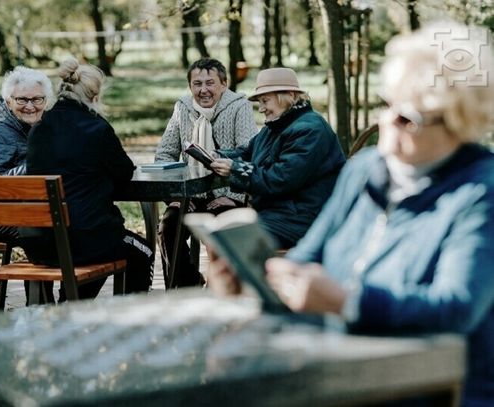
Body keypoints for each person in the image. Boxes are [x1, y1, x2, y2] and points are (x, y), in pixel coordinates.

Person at [209, 22, 494, 406]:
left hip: (433, 387)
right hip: (338, 370)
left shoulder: (480, 192)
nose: (386, 123)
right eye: (387, 103)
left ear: (459, 124)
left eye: (408, 118)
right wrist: (255, 286)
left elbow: (456, 308)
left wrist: (349, 302)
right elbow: (308, 260)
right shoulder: (365, 170)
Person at [21, 58, 154, 301]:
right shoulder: (97, 128)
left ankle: (71, 306)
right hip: (85, 239)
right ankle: (132, 324)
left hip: (40, 244)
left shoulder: (39, 128)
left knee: (97, 243)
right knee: (142, 252)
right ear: (95, 96)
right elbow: (124, 171)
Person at [211, 67, 345, 249]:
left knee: (229, 239)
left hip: (304, 219)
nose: (261, 108)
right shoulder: (274, 127)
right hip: (277, 214)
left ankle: (256, 278)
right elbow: (246, 152)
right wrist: (213, 156)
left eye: (265, 101)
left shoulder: (310, 129)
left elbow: (280, 178)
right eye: (260, 101)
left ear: (288, 96)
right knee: (217, 234)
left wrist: (235, 169)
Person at [155, 57, 258, 287]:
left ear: (224, 84)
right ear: (190, 86)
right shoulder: (182, 107)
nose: (203, 90)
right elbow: (164, 154)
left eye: (210, 83)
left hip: (228, 193)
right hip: (189, 196)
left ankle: (219, 290)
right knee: (169, 226)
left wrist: (234, 196)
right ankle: (186, 285)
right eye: (197, 84)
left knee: (222, 222)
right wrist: (174, 196)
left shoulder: (239, 106)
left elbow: (248, 154)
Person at [0, 66, 54, 244]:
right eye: (22, 100)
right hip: (3, 219)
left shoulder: (37, 126)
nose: (30, 106)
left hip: (30, 211)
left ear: (45, 101)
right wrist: (38, 165)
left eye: (37, 99)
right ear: (8, 102)